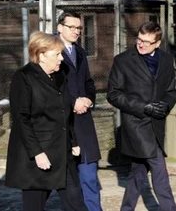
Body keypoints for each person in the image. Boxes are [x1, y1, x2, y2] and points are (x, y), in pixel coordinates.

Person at [5, 31, 88, 211]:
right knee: (34, 206)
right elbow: (21, 119)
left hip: (63, 153)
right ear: (41, 55)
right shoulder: (24, 77)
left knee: (76, 203)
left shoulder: (58, 75)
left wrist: (73, 141)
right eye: (57, 54)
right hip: (39, 157)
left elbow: (65, 112)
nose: (61, 58)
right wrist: (37, 153)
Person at [107, 21, 176, 211]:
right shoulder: (123, 60)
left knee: (138, 172)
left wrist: (166, 105)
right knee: (159, 169)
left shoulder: (165, 60)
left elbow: (172, 91)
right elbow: (113, 94)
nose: (141, 44)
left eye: (147, 42)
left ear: (157, 43)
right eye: (139, 39)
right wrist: (144, 107)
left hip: (157, 125)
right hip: (136, 124)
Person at [57, 11, 103, 211]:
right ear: (60, 27)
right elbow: (49, 88)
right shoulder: (50, 52)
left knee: (89, 176)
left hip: (84, 122)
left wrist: (88, 99)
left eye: (79, 28)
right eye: (72, 27)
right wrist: (71, 102)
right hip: (62, 123)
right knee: (67, 182)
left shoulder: (81, 52)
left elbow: (89, 83)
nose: (76, 31)